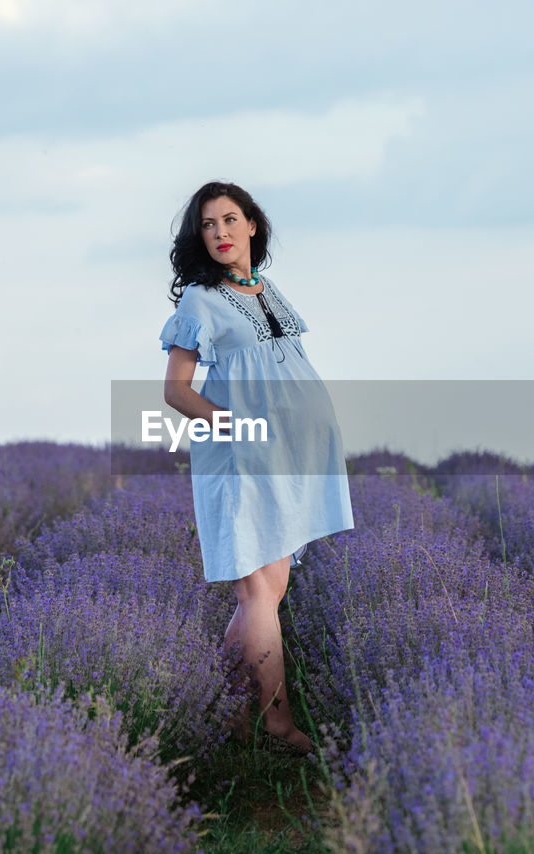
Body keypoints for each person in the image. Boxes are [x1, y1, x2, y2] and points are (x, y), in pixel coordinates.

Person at [160, 180, 354, 757]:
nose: (219, 232)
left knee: (267, 592)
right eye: (208, 225)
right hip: (246, 456)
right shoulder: (200, 301)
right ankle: (279, 723)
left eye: (229, 220)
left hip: (292, 457)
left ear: (251, 226)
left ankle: (226, 716)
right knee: (258, 593)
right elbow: (176, 391)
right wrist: (237, 427)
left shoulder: (269, 291)